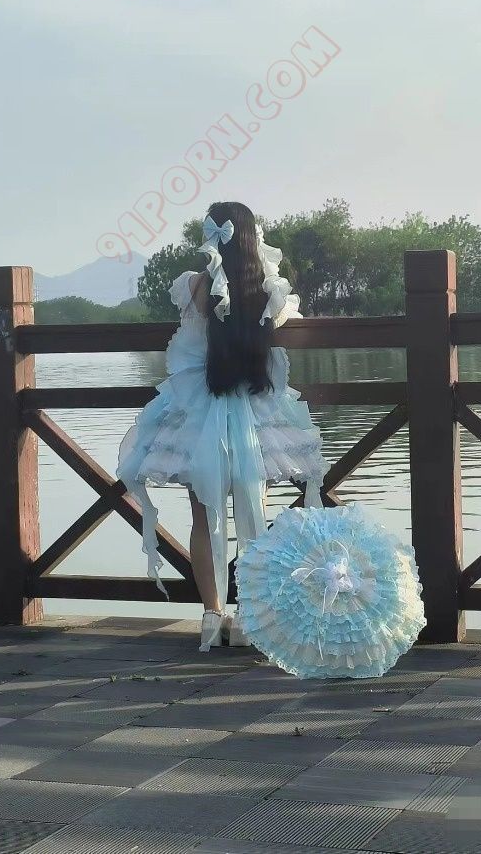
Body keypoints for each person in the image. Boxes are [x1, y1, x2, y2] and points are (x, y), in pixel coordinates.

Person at [116, 201, 328, 651]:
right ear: (253, 239)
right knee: (254, 508)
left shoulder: (193, 286)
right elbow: (286, 321)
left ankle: (212, 616)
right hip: (254, 412)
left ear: (210, 238)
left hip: (199, 411)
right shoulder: (267, 289)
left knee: (202, 517)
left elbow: (191, 334)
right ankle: (251, 617)